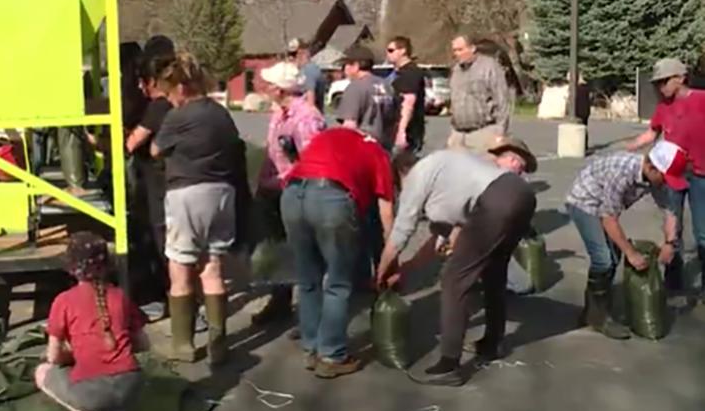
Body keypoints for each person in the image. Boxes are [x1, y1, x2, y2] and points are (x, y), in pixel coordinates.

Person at [376, 144, 538, 387]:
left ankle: (449, 365)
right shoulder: (444, 171)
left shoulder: (418, 175)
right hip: (522, 194)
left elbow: (401, 232)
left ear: (400, 173)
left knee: (453, 280)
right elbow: (438, 240)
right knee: (493, 271)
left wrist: (381, 272)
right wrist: (405, 268)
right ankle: (492, 343)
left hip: (497, 201)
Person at [281, 127, 396, 379]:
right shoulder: (379, 154)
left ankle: (311, 347)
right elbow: (386, 213)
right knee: (338, 281)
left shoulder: (334, 135)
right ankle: (331, 355)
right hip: (331, 198)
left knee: (308, 278)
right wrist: (391, 261)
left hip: (292, 193)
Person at [151, 51, 241, 366]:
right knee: (213, 270)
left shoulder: (178, 117)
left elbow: (155, 150)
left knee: (181, 270)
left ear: (181, 88)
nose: (168, 98)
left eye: (168, 91)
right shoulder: (220, 113)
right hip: (222, 193)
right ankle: (219, 346)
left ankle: (184, 345)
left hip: (186, 193)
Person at [566, 141, 686, 339]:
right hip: (583, 202)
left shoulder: (654, 177)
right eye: (664, 178)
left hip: (605, 206)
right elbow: (608, 218)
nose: (665, 183)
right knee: (604, 259)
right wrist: (632, 253)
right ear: (650, 166)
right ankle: (598, 318)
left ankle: (591, 312)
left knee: (613, 256)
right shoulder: (621, 173)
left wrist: (670, 243)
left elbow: (669, 211)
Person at [35, 232, 147, 411]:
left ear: (71, 267)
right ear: (107, 264)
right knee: (114, 392)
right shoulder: (120, 296)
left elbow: (53, 357)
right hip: (131, 385)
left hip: (91, 392)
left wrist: (75, 354)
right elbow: (143, 343)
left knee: (43, 371)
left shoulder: (63, 301)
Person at [251, 61, 326, 326]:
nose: (265, 86)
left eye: (270, 83)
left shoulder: (306, 118)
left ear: (280, 88)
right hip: (272, 191)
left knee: (304, 255)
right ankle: (280, 303)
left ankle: (312, 317)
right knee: (279, 252)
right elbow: (273, 152)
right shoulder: (279, 113)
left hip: (294, 192)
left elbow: (312, 162)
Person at [626, 58, 705, 295]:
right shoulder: (663, 107)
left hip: (701, 174)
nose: (661, 88)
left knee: (702, 230)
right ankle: (673, 280)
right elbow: (652, 132)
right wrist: (631, 146)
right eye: (658, 83)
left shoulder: (701, 100)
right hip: (673, 173)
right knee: (672, 224)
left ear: (680, 78)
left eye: (664, 81)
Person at [125, 54, 175, 319]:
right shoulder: (173, 105)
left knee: (164, 246)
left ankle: (175, 302)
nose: (141, 88)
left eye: (143, 82)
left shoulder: (158, 108)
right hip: (165, 184)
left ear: (152, 81)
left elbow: (132, 143)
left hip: (158, 186)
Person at [446, 34, 511, 152]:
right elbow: (454, 102)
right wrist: (453, 134)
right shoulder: (455, 70)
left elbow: (502, 100)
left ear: (472, 48)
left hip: (484, 133)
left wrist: (500, 131)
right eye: (454, 50)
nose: (457, 53)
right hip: (459, 135)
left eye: (460, 49)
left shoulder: (489, 66)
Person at [336, 44, 394, 147]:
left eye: (345, 65)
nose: (344, 70)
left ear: (356, 66)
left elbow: (349, 126)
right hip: (384, 148)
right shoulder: (387, 86)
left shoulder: (355, 87)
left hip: (363, 148)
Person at [386, 36, 426, 153]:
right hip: (392, 130)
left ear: (403, 51)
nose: (388, 54)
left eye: (391, 50)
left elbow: (408, 102)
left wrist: (401, 131)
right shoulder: (396, 73)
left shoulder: (411, 73)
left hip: (408, 132)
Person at [287, 38, 327, 113]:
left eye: (294, 54)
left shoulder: (309, 70)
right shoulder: (302, 70)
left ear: (305, 53)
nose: (291, 58)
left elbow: (310, 98)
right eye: (289, 54)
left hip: (307, 119)